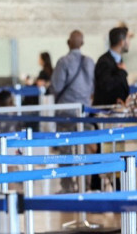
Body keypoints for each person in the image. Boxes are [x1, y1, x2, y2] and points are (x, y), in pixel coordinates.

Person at [50, 30, 96, 193]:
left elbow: (56, 87)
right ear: (82, 44)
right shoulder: (90, 62)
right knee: (85, 150)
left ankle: (68, 186)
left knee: (66, 150)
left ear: (68, 43)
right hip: (84, 113)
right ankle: (86, 184)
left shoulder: (63, 62)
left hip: (66, 113)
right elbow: (92, 87)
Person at [93, 27, 130, 106]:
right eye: (128, 39)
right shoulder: (104, 61)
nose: (129, 43)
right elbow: (107, 85)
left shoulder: (119, 60)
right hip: (106, 113)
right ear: (122, 42)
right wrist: (122, 72)